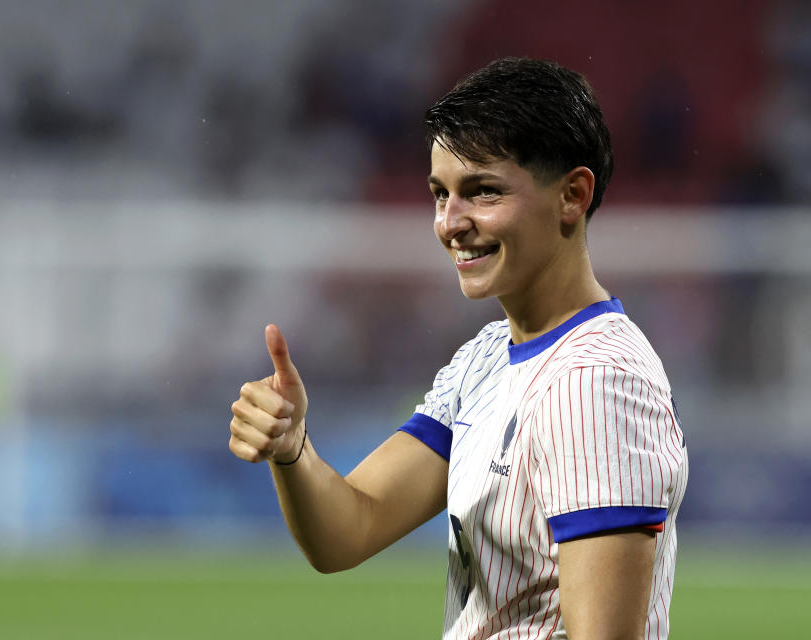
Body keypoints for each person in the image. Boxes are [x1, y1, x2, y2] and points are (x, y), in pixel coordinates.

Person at [228, 57, 688, 640]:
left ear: (572, 195)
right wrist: (293, 450)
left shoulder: (596, 380)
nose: (451, 222)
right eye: (440, 194)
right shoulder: (488, 356)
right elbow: (350, 528)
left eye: (483, 192)